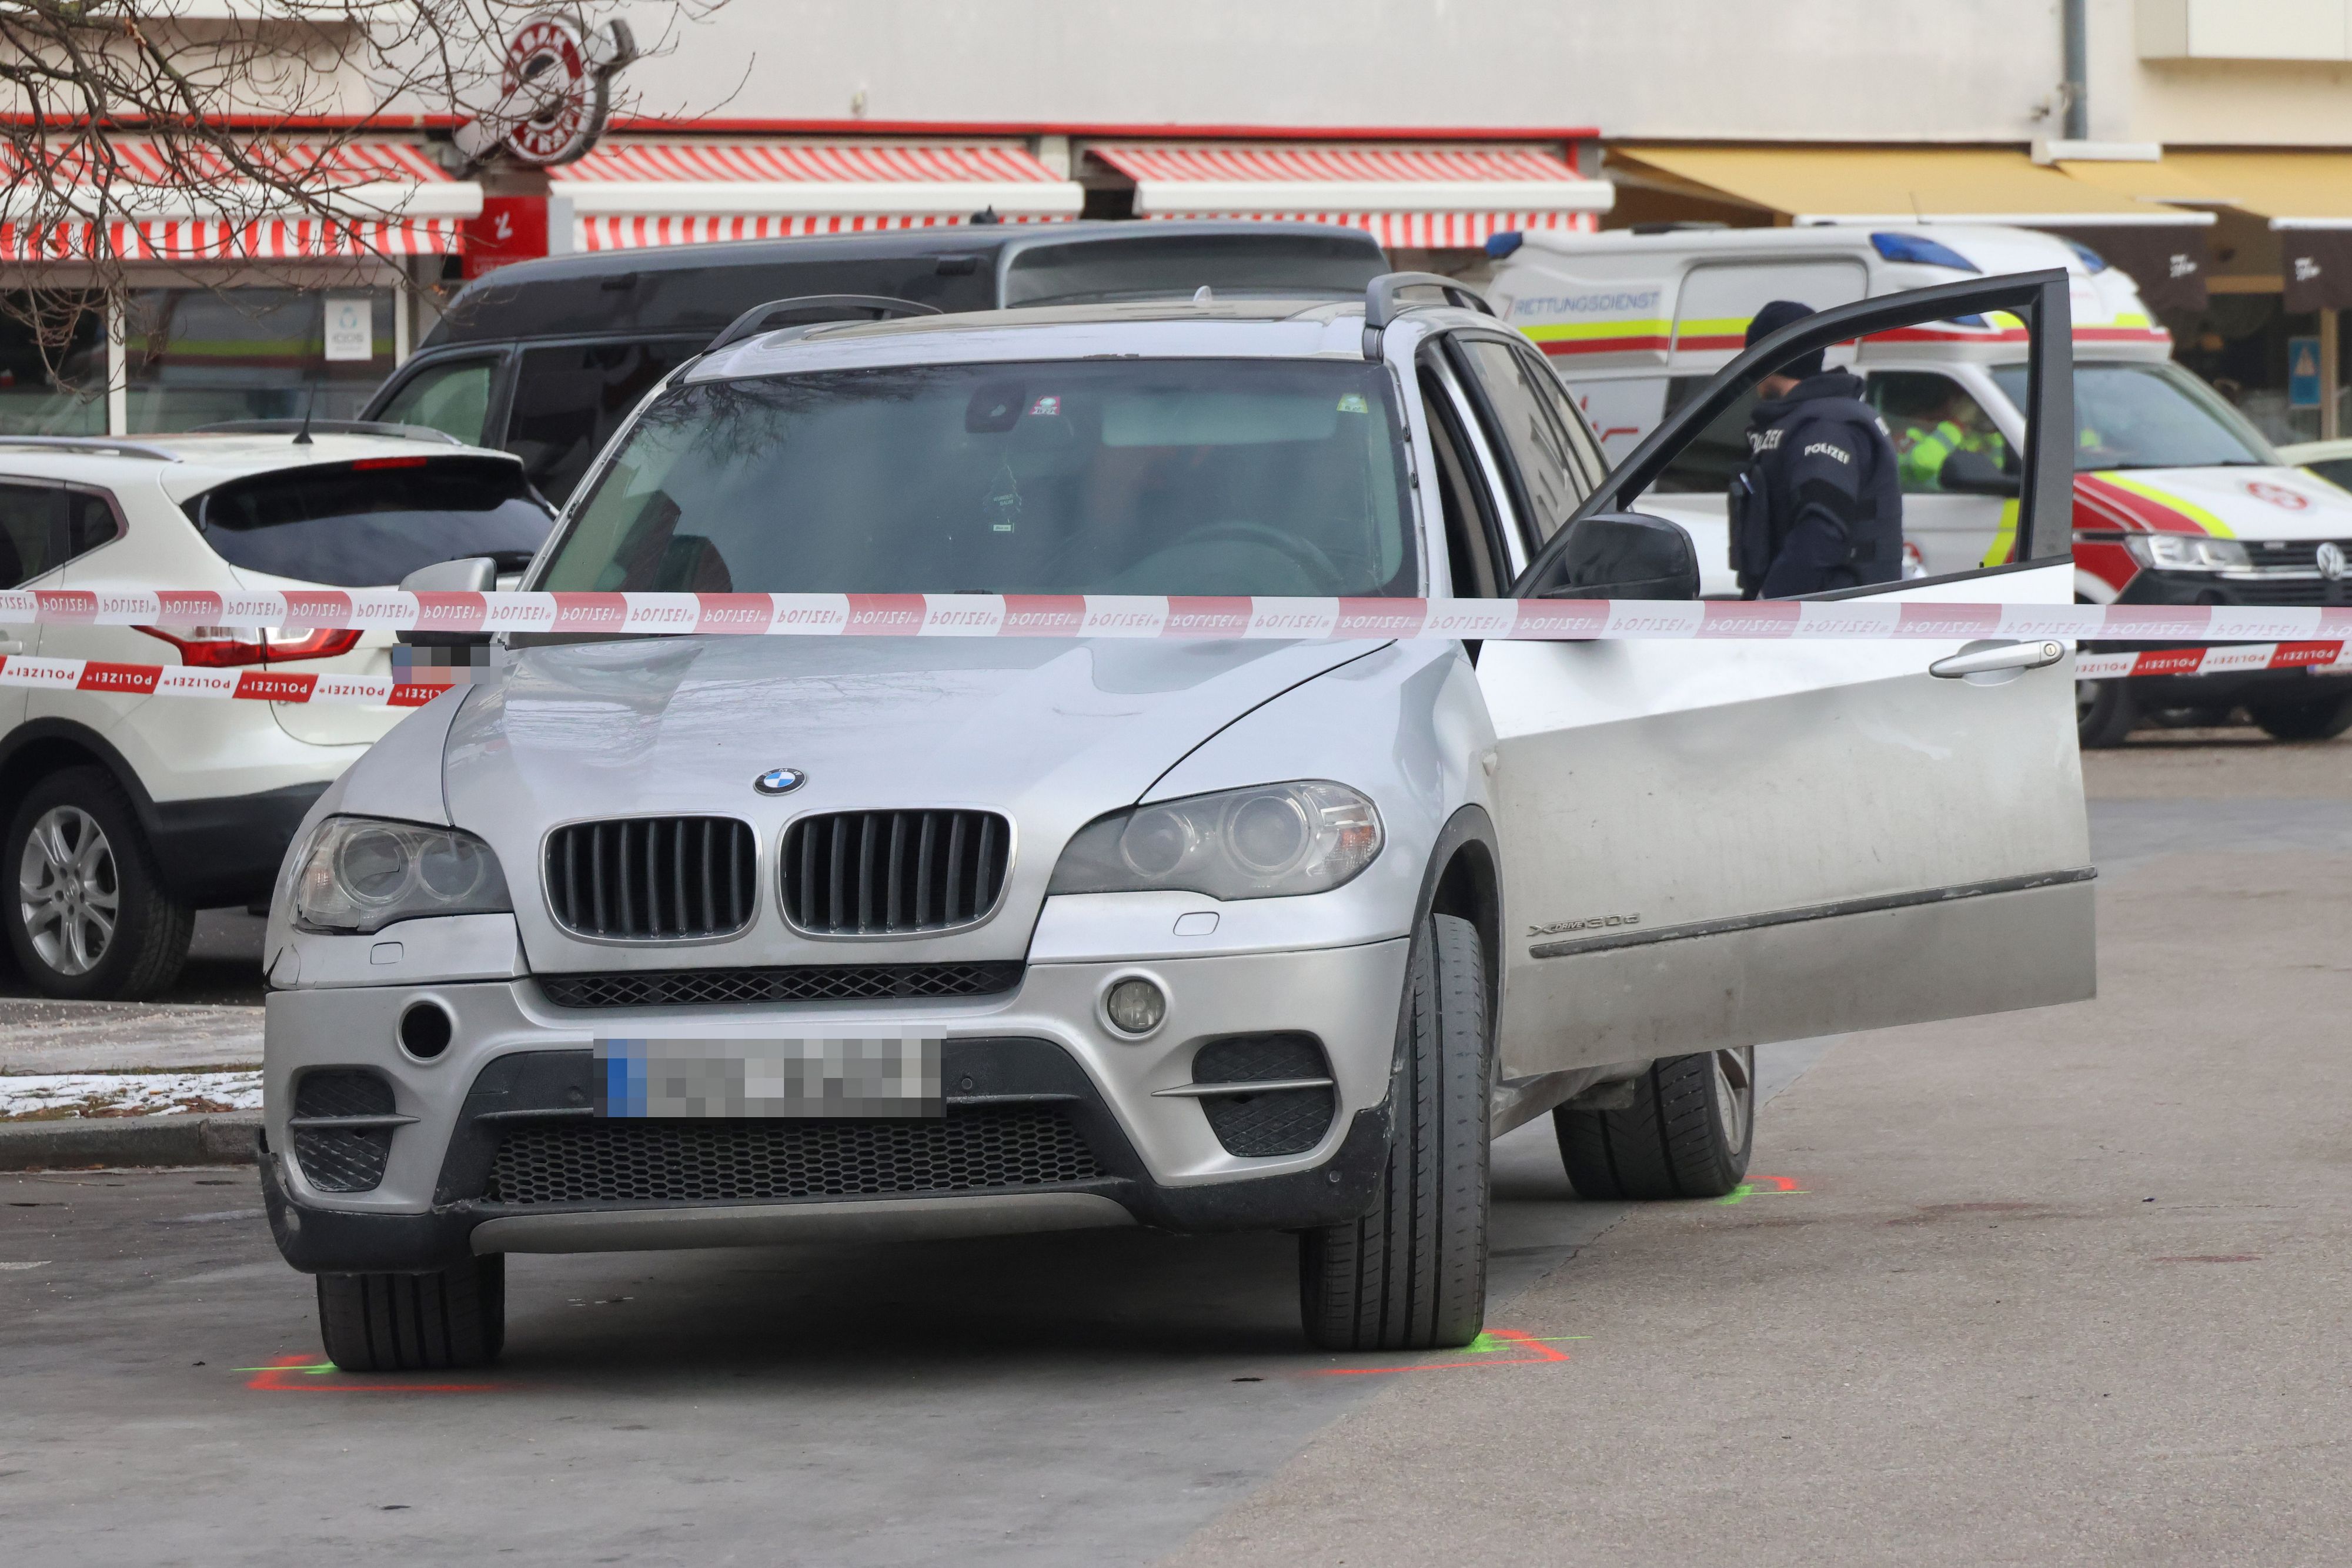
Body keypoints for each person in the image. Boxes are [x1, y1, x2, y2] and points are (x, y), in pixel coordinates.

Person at [1728, 299, 1903, 598]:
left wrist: (1769, 602)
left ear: (1764, 356)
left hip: (1827, 619)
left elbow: (1822, 530)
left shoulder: (1825, 425)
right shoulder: (1813, 418)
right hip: (1820, 615)